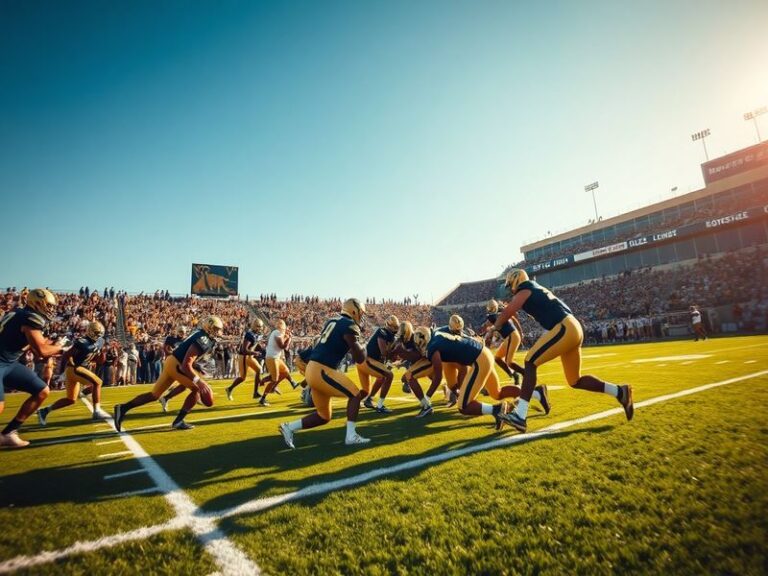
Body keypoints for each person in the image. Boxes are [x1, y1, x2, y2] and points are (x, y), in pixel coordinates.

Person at [495, 269, 633, 433]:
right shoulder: (533, 288)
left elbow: (508, 312)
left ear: (516, 281)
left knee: (530, 361)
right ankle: (620, 391)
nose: (510, 289)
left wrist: (494, 328)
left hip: (565, 327)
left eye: (510, 285)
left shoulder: (525, 288)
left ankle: (520, 415)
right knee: (575, 380)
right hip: (572, 327)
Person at [278, 298, 369, 449]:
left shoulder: (332, 321)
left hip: (313, 369)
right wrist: (364, 347)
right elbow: (359, 358)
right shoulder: (350, 325)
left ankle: (289, 427)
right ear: (354, 311)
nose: (361, 316)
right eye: (361, 313)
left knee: (324, 416)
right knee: (355, 395)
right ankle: (351, 436)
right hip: (323, 370)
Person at [114, 316, 222, 432]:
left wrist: (196, 366)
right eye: (216, 329)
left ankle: (123, 408)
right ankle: (179, 421)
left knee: (154, 395)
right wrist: (198, 381)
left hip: (172, 362)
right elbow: (186, 364)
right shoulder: (203, 339)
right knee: (197, 389)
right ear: (209, 328)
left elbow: (186, 355)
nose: (218, 332)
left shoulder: (201, 334)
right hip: (177, 365)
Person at [411, 326, 527, 429]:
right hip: (484, 352)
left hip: (479, 360)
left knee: (463, 406)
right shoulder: (439, 332)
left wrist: (427, 396)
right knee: (497, 393)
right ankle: (536, 392)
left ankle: (497, 410)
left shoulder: (432, 346)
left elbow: (438, 377)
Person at [0, 289, 64, 447]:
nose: (51, 309)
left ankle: (9, 433)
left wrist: (52, 346)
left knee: (42, 391)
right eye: (48, 305)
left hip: (9, 363)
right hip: (2, 362)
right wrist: (62, 348)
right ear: (36, 303)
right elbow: (42, 351)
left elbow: (38, 351)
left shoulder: (21, 313)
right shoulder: (31, 317)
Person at [36, 321, 110, 425]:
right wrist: (70, 362)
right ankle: (97, 411)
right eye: (96, 333)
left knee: (71, 400)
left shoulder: (100, 341)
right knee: (98, 382)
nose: (98, 336)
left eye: (99, 334)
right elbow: (67, 355)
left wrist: (103, 352)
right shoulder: (82, 342)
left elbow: (100, 361)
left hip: (76, 370)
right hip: (75, 368)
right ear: (90, 331)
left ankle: (44, 411)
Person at [358, 315, 399, 414]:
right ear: (388, 325)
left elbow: (389, 356)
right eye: (394, 327)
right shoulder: (382, 332)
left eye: (396, 327)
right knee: (389, 375)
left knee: (369, 388)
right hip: (367, 360)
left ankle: (365, 399)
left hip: (368, 361)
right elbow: (384, 352)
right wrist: (395, 353)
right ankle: (380, 406)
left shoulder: (392, 337)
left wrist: (395, 356)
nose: (395, 329)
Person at [481, 299, 524, 384]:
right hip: (512, 336)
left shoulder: (492, 317)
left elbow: (489, 328)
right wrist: (520, 331)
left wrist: (484, 338)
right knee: (498, 358)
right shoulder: (501, 313)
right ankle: (514, 374)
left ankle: (525, 373)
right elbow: (514, 319)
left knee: (509, 361)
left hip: (512, 336)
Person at [259, 320, 298, 406]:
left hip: (275, 357)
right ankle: (263, 398)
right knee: (274, 379)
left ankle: (270, 383)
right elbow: (282, 346)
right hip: (272, 358)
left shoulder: (278, 333)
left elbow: (286, 348)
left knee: (285, 371)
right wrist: (289, 338)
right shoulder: (277, 332)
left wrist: (287, 337)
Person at [225, 318, 265, 401]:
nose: (260, 328)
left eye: (260, 327)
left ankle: (255, 392)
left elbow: (256, 344)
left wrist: (263, 350)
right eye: (258, 326)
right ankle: (229, 389)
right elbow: (244, 350)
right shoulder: (249, 334)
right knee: (243, 378)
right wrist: (255, 353)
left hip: (249, 356)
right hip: (244, 356)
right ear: (254, 326)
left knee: (259, 369)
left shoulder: (258, 334)